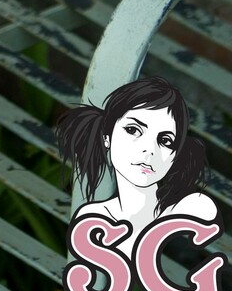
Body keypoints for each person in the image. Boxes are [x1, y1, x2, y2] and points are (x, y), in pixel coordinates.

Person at [57, 79, 215, 264]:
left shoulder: (193, 207)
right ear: (107, 137)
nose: (149, 150)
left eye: (165, 140)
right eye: (133, 130)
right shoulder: (92, 215)